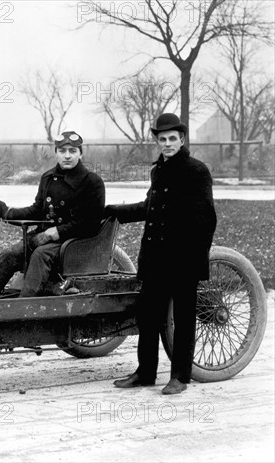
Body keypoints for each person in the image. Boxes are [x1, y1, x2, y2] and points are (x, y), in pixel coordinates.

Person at [106, 113, 217, 395]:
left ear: (182, 140)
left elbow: (207, 221)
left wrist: (195, 260)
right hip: (155, 258)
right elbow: (149, 207)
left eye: (172, 139)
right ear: (156, 141)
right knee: (148, 317)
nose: (167, 144)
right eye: (162, 139)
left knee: (183, 319)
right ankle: (146, 373)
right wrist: (115, 212)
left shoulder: (197, 171)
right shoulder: (158, 171)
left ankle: (180, 376)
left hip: (183, 261)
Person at [0, 131, 105, 298]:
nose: (67, 156)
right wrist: (7, 212)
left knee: (39, 256)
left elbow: (90, 224)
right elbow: (36, 210)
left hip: (72, 242)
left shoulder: (92, 182)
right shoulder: (48, 178)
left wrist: (55, 232)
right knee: (10, 254)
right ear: (56, 153)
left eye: (72, 151)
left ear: (81, 153)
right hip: (41, 237)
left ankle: (23, 309)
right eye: (62, 151)